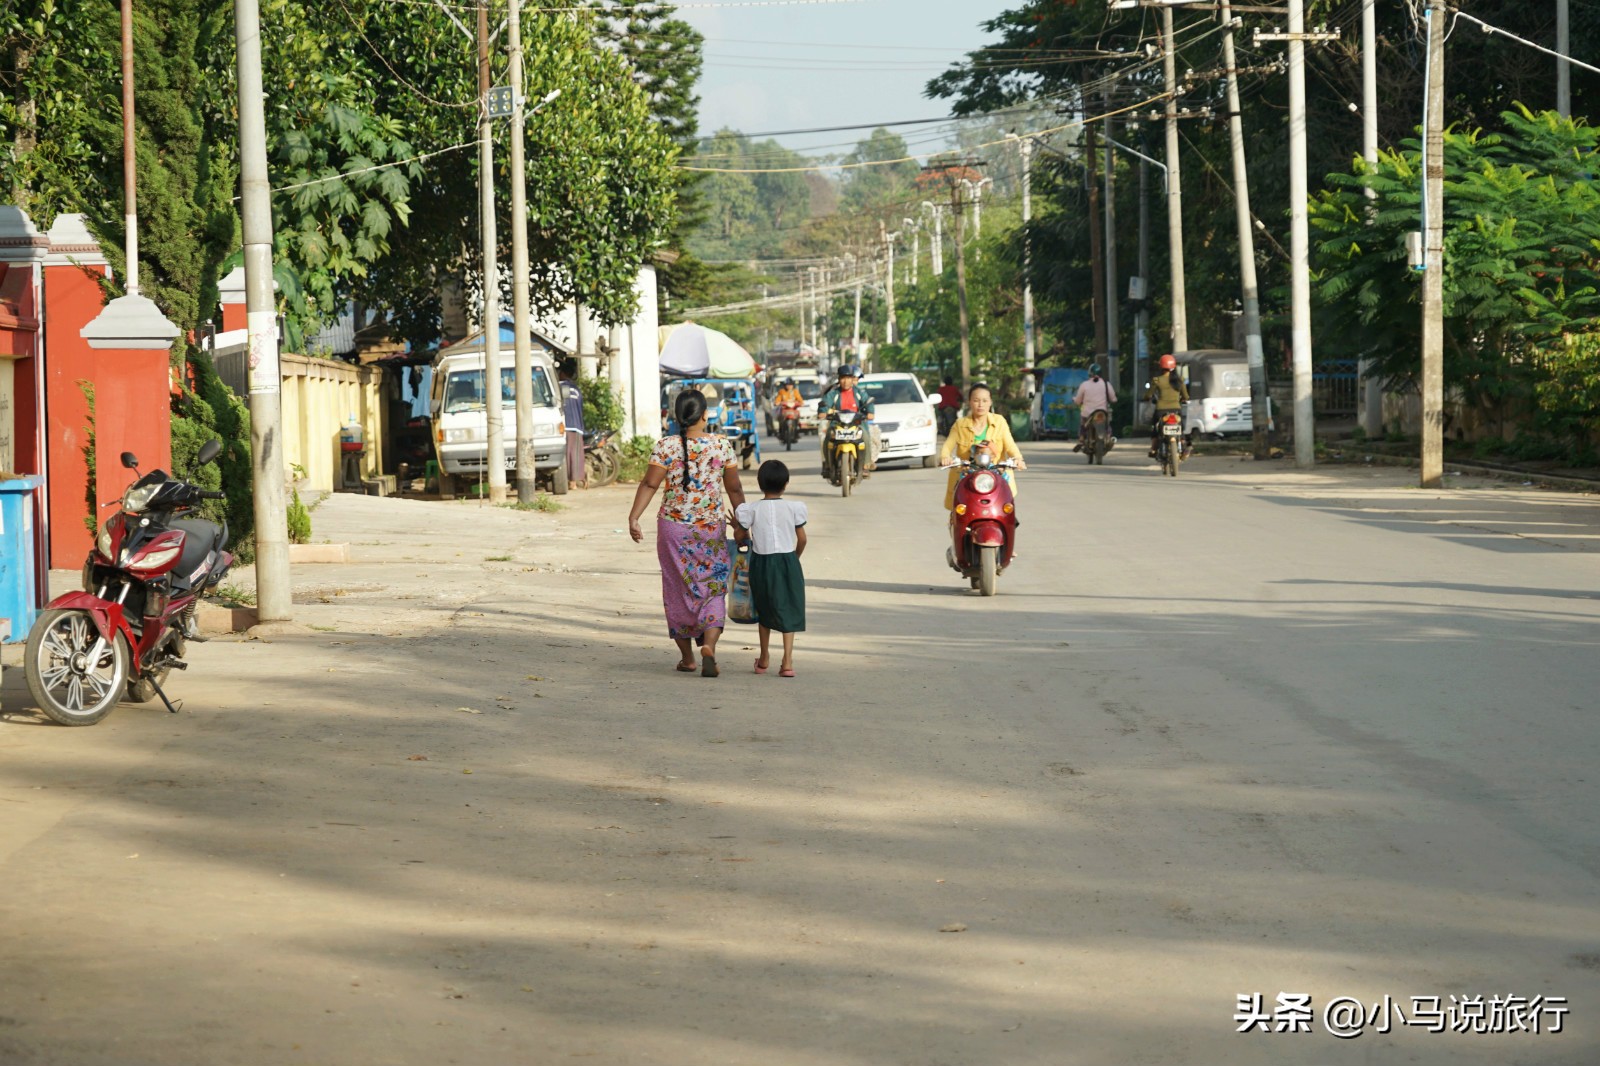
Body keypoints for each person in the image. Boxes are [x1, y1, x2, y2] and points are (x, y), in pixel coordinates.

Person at [628, 389, 747, 677]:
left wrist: (634, 517)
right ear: (705, 415)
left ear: (678, 416)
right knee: (713, 584)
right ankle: (710, 644)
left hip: (673, 529)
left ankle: (688, 658)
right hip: (710, 529)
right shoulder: (721, 446)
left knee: (677, 588)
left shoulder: (665, 447)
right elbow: (734, 489)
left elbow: (649, 485)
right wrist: (743, 523)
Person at [734, 460, 807, 678]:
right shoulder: (795, 508)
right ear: (786, 483)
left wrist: (736, 528)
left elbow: (742, 539)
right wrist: (794, 558)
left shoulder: (751, 510)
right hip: (787, 561)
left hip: (761, 562)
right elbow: (802, 539)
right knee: (789, 607)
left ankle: (764, 658)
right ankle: (787, 661)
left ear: (759, 483)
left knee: (764, 608)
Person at [938, 383, 1025, 510]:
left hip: (996, 477)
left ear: (990, 402)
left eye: (985, 400)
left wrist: (1018, 458)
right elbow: (947, 446)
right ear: (969, 402)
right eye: (976, 400)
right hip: (967, 477)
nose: (980, 404)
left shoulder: (999, 421)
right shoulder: (960, 424)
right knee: (960, 513)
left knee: (1006, 512)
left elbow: (1010, 445)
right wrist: (945, 457)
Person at [818, 364, 877, 478]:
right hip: (837, 424)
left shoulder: (860, 393)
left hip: (856, 425)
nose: (846, 381)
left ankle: (865, 465)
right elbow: (825, 404)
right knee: (827, 439)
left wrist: (870, 412)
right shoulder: (833, 394)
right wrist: (823, 411)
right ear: (839, 379)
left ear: (852, 379)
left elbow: (868, 402)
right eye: (843, 378)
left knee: (865, 437)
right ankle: (828, 465)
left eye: (848, 378)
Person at [1144, 353, 1190, 458]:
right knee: (1180, 428)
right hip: (1176, 409)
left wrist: (1147, 397)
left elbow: (1149, 394)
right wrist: (1183, 399)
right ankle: (1183, 444)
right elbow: (1186, 396)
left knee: (1155, 429)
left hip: (1161, 410)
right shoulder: (1180, 380)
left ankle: (1154, 449)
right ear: (1173, 366)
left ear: (1161, 366)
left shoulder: (1157, 380)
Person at [1073, 363, 1117, 452]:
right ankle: (1108, 437)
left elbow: (1078, 401)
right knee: (1107, 425)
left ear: (1090, 373)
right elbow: (1113, 399)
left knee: (1083, 424)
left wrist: (1076, 400)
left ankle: (1081, 439)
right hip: (1102, 412)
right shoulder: (1106, 384)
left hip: (1088, 413)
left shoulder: (1084, 385)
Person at [558, 358, 586, 489]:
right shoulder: (576, 389)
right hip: (577, 424)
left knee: (566, 454)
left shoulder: (558, 387)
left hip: (564, 424)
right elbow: (581, 407)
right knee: (575, 454)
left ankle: (571, 482)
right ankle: (575, 480)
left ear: (562, 373)